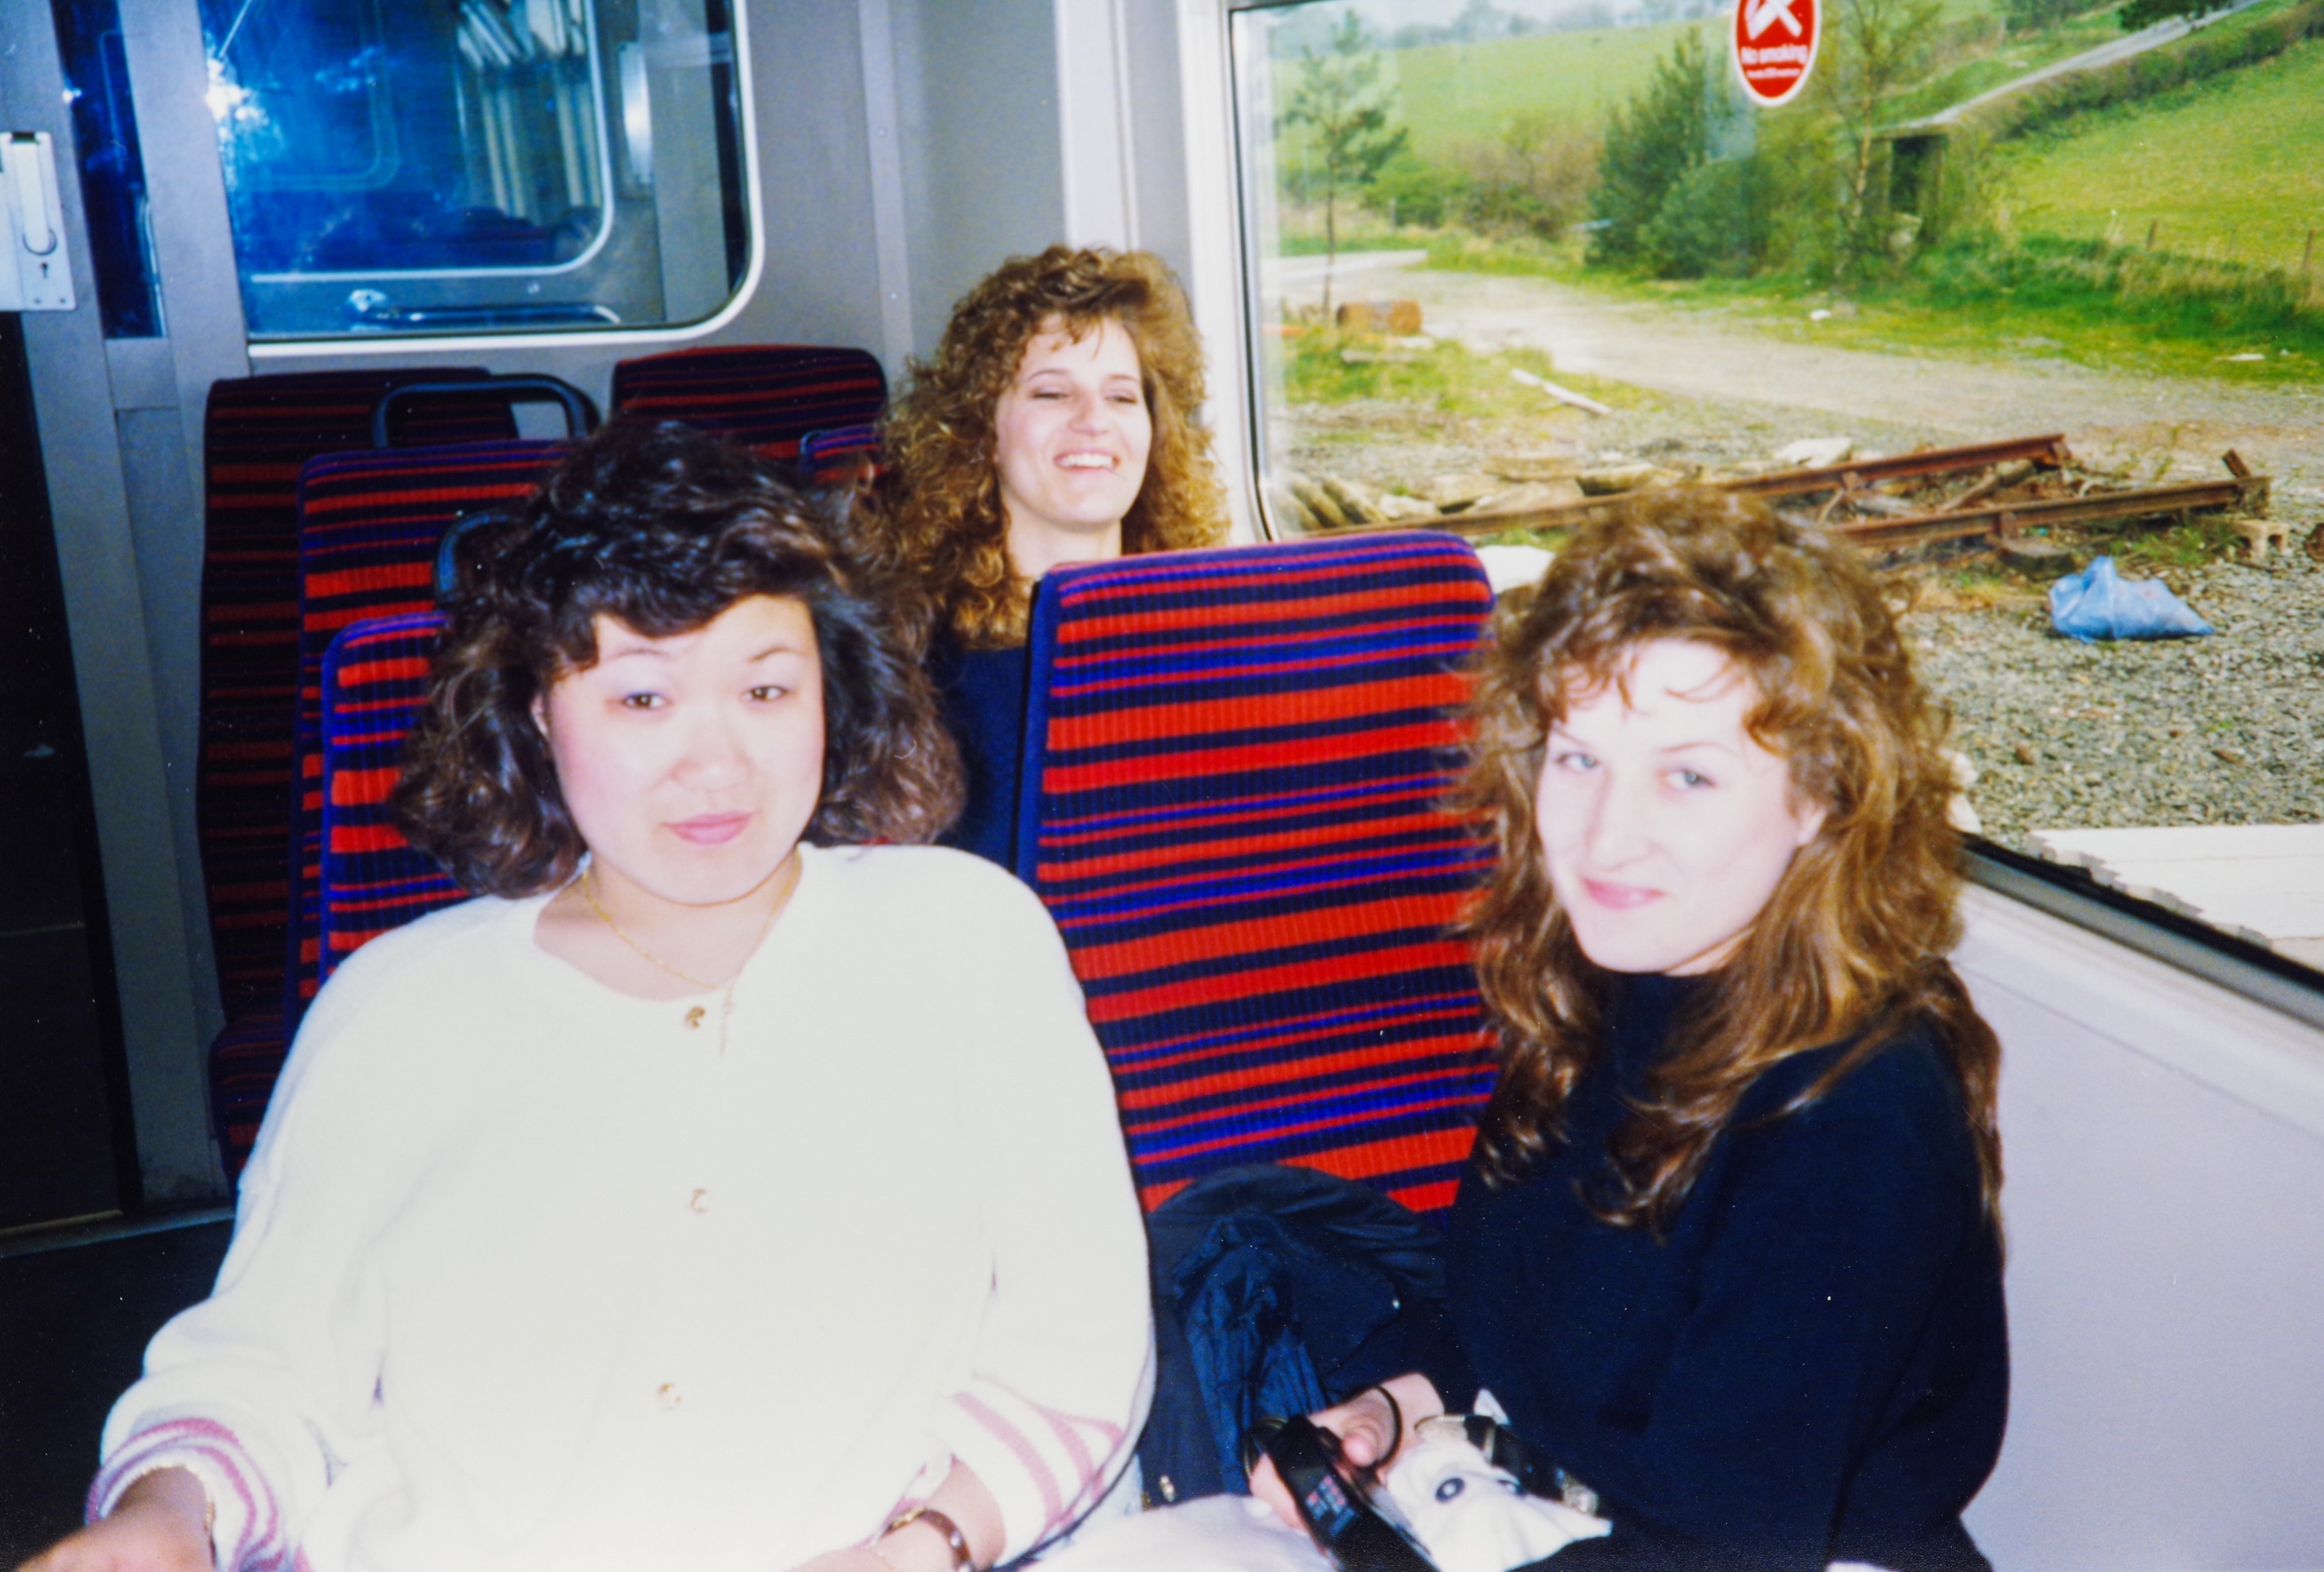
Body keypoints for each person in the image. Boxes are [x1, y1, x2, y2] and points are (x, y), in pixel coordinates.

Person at [23, 421, 1152, 1572]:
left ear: (836, 696)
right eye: (642, 701)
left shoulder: (964, 941)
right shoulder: (401, 1010)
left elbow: (1082, 1340)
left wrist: (926, 1547)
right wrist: (165, 1517)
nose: (716, 764)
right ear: (533, 713)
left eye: (767, 689)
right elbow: (262, 1367)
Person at [1252, 490, 2007, 1572]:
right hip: (1564, 1515)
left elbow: (1718, 1543)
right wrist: (1386, 1408)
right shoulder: (1603, 986)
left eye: (1688, 774)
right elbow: (1506, 1314)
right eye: (1578, 757)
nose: (1608, 834)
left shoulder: (1856, 1114)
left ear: (1821, 799)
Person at [866, 245, 1228, 865]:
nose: (1094, 422)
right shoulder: (913, 667)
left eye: (1121, 397)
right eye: (1052, 394)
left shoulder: (1208, 635)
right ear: (983, 436)